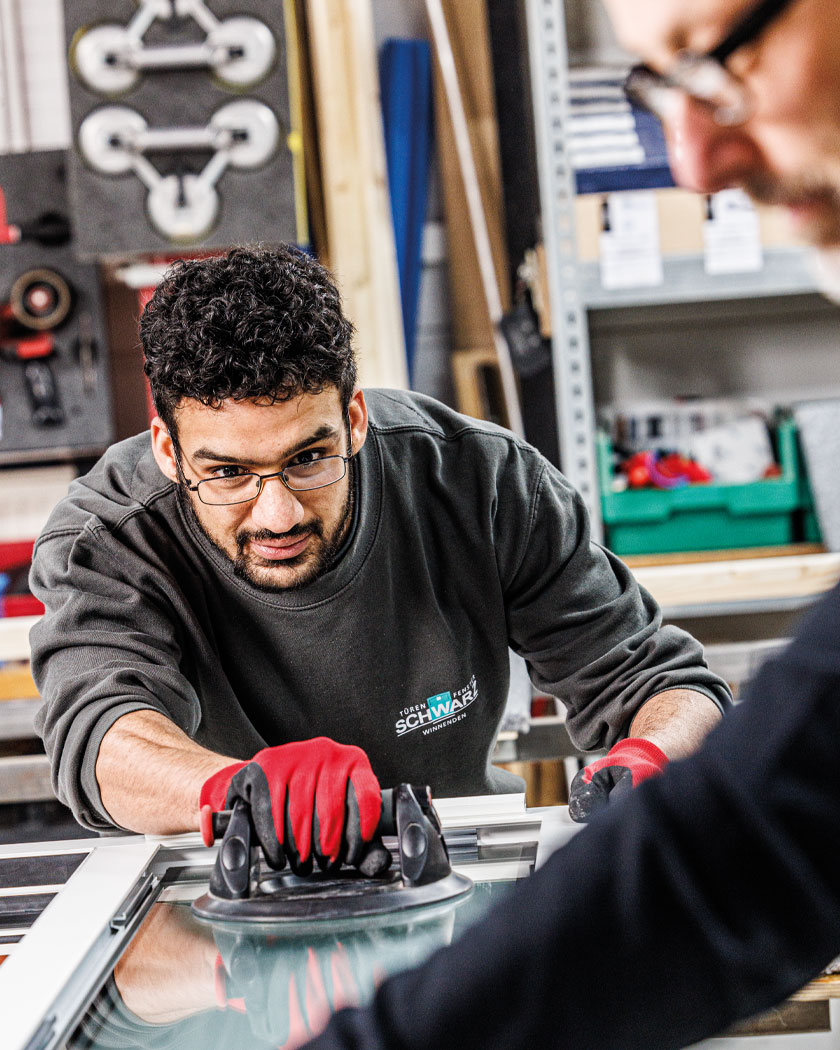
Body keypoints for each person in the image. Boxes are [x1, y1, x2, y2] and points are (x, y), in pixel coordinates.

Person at [283, 0, 840, 1046]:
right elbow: (766, 841)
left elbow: (743, 827)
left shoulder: (470, 479)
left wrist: (659, 737)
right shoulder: (115, 525)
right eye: (663, 88)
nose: (697, 160)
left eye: (718, 62)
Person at [30, 244, 728, 873]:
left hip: (459, 885)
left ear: (355, 418)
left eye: (308, 458)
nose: (279, 514)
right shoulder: (109, 536)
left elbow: (662, 681)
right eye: (228, 474)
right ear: (166, 448)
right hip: (226, 898)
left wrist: (656, 752)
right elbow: (100, 736)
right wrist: (229, 790)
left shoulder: (478, 480)